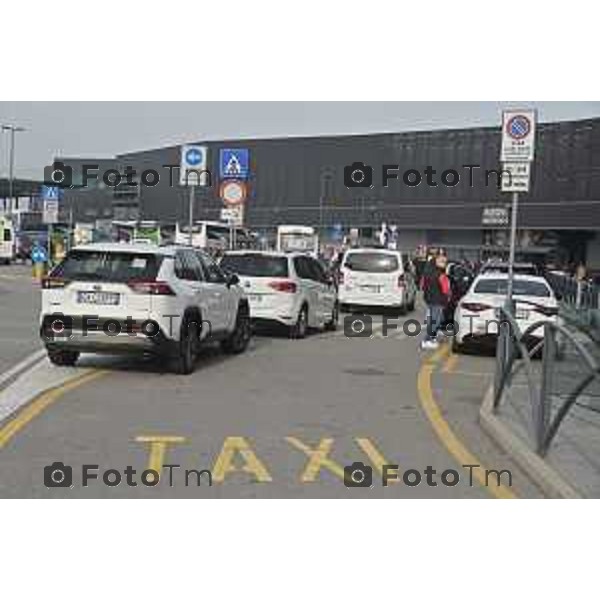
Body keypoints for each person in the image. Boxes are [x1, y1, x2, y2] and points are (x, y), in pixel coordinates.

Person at [421, 253, 451, 350]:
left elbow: (423, 287)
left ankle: (432, 338)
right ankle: (427, 340)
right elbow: (446, 289)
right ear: (435, 262)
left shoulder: (427, 272)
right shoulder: (440, 275)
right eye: (441, 261)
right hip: (437, 300)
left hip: (430, 299)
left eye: (445, 262)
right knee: (436, 321)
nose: (444, 263)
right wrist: (447, 297)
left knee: (435, 320)